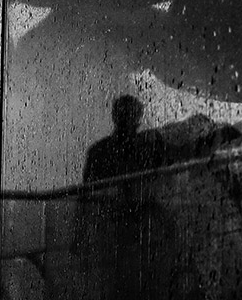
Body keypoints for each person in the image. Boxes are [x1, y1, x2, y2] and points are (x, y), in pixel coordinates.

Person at [72, 95, 169, 300]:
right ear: (117, 117)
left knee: (131, 282)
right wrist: (79, 233)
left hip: (137, 227)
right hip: (116, 228)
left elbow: (85, 196)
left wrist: (79, 234)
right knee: (121, 282)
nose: (129, 120)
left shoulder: (146, 147)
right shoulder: (107, 151)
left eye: (132, 115)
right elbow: (86, 195)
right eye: (127, 115)